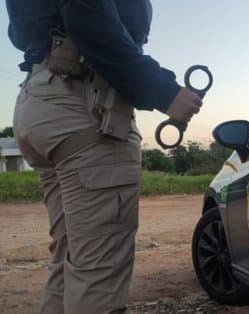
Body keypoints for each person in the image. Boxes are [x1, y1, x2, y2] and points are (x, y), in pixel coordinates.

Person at [6, 0, 203, 313]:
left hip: (40, 98)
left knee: (72, 259)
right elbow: (87, 12)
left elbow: (18, 34)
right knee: (99, 270)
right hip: (85, 110)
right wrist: (163, 91)